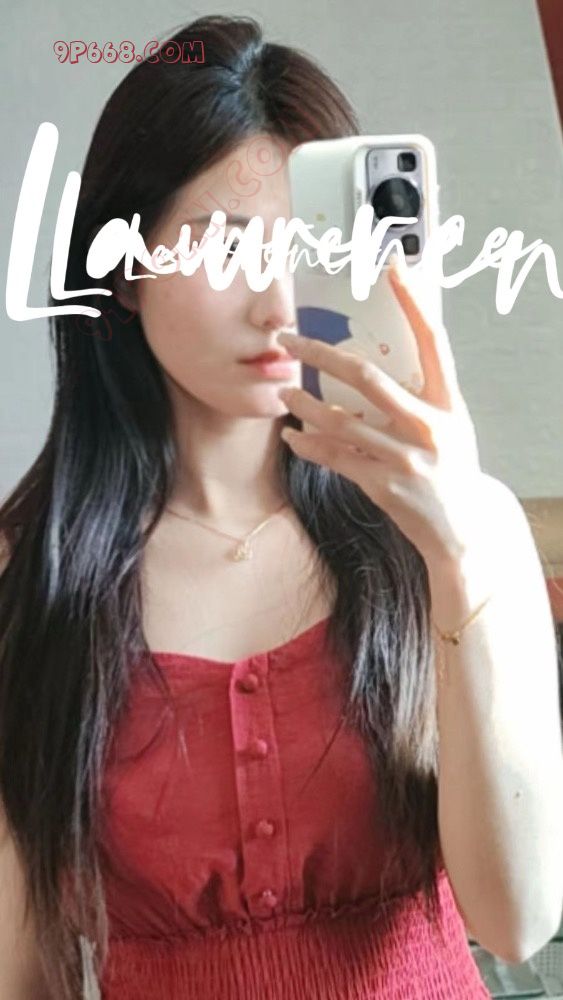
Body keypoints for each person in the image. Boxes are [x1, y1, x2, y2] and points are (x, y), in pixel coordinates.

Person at [1, 14, 562, 1000]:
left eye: (304, 247)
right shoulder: (32, 569)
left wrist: (455, 548)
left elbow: (515, 918)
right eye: (224, 246)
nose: (277, 303)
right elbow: (23, 962)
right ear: (124, 269)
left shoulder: (463, 529)